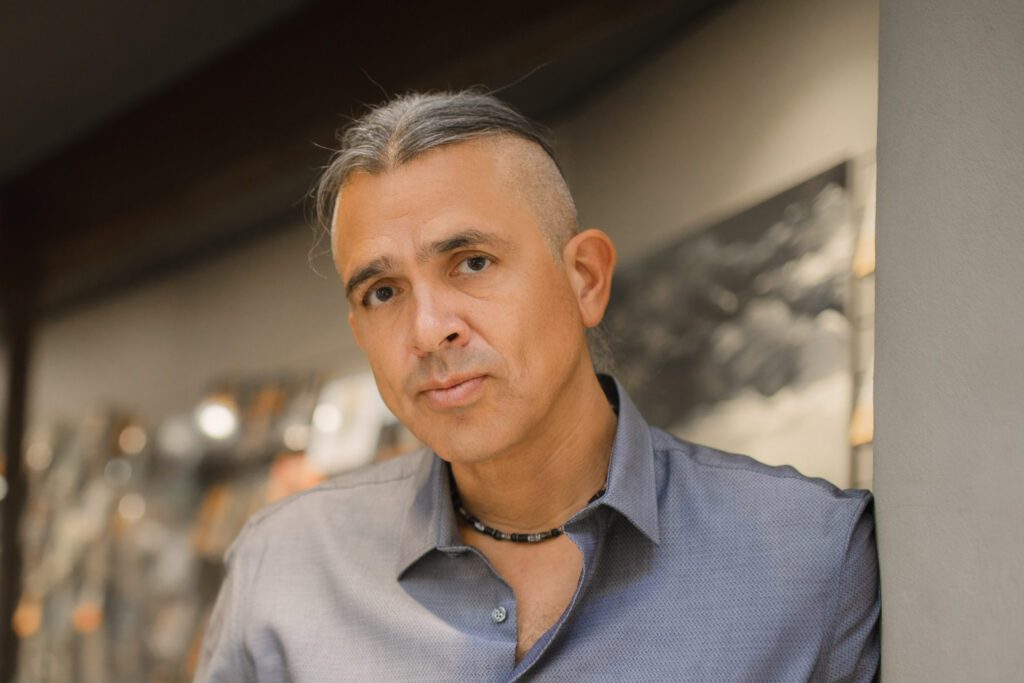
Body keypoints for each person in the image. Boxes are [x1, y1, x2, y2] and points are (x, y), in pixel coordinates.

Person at [195, 91, 879, 681]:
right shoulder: (285, 567)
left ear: (585, 278)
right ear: (358, 330)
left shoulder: (813, 559)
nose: (429, 330)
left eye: (472, 261)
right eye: (382, 292)